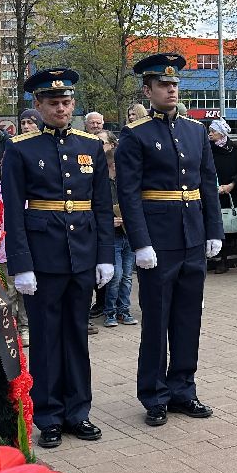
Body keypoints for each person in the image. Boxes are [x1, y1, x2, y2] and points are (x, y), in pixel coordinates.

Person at [1, 67, 115, 447]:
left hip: (82, 254)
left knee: (77, 336)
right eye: (54, 103)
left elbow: (101, 206)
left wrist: (105, 256)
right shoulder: (20, 148)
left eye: (66, 102)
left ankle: (78, 411)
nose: (61, 109)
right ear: (38, 105)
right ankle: (48, 416)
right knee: (47, 339)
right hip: (43, 257)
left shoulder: (91, 146)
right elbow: (13, 211)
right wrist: (21, 264)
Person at [116, 53, 222, 427]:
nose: (171, 89)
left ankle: (183, 390)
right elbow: (128, 193)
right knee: (156, 319)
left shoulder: (195, 131)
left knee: (188, 318)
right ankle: (155, 394)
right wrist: (140, 242)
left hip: (193, 236)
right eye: (163, 84)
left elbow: (206, 182)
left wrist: (214, 230)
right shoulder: (135, 134)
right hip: (158, 242)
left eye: (175, 84)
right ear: (148, 90)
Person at [100, 132, 138, 327]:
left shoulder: (126, 182)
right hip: (112, 236)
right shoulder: (102, 185)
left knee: (127, 276)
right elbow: (96, 209)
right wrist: (109, 221)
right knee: (115, 275)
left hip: (127, 234)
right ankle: (110, 312)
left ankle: (124, 310)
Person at [207, 118, 237, 274]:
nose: (209, 134)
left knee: (226, 229)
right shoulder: (207, 148)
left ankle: (224, 260)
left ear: (221, 133)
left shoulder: (235, 149)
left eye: (213, 131)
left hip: (229, 193)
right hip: (210, 192)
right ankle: (209, 258)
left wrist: (231, 185)